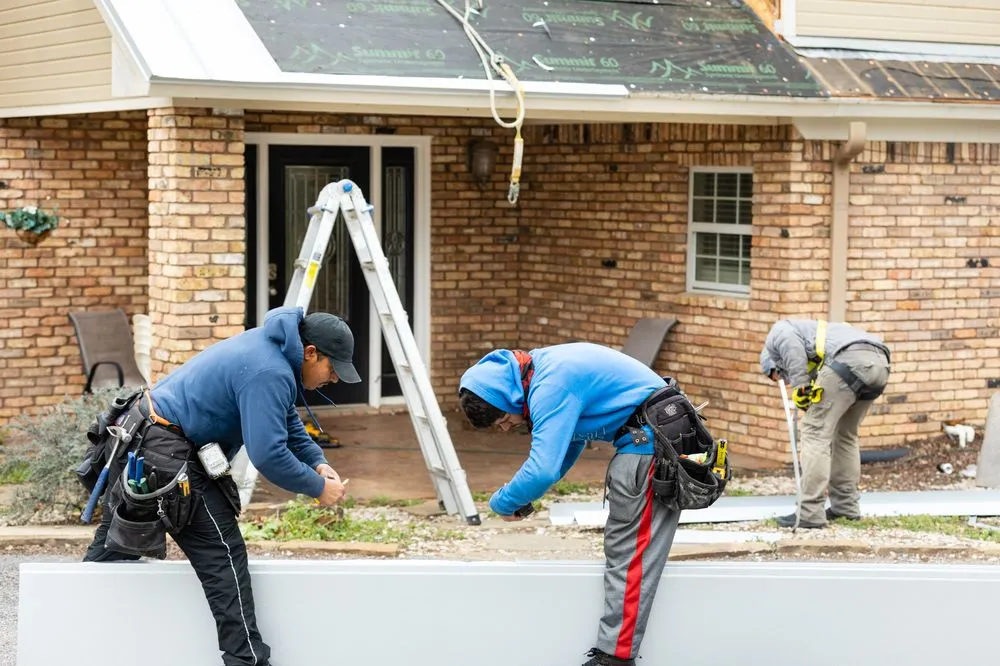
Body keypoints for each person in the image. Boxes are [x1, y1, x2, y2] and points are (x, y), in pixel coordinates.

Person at [82, 306, 360, 666]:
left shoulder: (272, 351)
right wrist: (317, 488)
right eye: (333, 369)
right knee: (223, 553)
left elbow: (286, 421)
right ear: (310, 353)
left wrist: (318, 463)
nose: (334, 379)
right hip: (162, 450)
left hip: (146, 436)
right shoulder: (270, 371)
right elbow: (269, 454)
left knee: (115, 548)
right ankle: (246, 660)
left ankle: (70, 633)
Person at [459, 343, 677, 666]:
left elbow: (543, 467)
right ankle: (615, 651)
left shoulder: (550, 386)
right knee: (623, 549)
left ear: (510, 398)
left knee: (630, 554)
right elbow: (569, 445)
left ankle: (616, 658)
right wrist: (529, 497)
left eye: (503, 418)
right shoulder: (542, 370)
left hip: (648, 446)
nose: (505, 427)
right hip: (644, 439)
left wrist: (502, 502)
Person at [760, 318, 891, 529]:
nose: (784, 381)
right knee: (845, 436)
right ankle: (846, 508)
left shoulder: (779, 332)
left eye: (778, 375)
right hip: (879, 364)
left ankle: (810, 513)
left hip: (851, 361)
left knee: (813, 432)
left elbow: (792, 349)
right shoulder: (814, 340)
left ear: (774, 361)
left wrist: (800, 386)